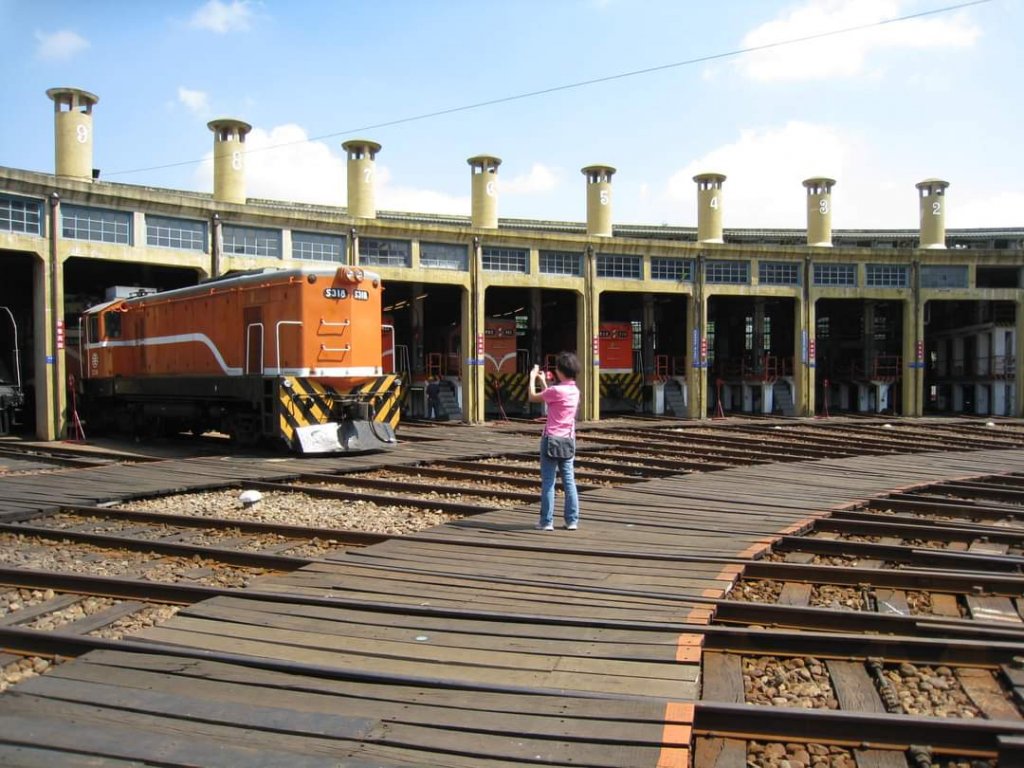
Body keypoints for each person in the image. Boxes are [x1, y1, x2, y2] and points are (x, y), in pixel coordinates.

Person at [528, 352, 580, 531]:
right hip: (568, 440)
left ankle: (546, 522)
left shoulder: (556, 390)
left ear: (561, 371)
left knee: (549, 482)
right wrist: (544, 382)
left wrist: (532, 377)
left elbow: (533, 396)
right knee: (569, 480)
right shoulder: (574, 391)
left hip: (550, 440)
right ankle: (572, 520)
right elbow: (551, 399)